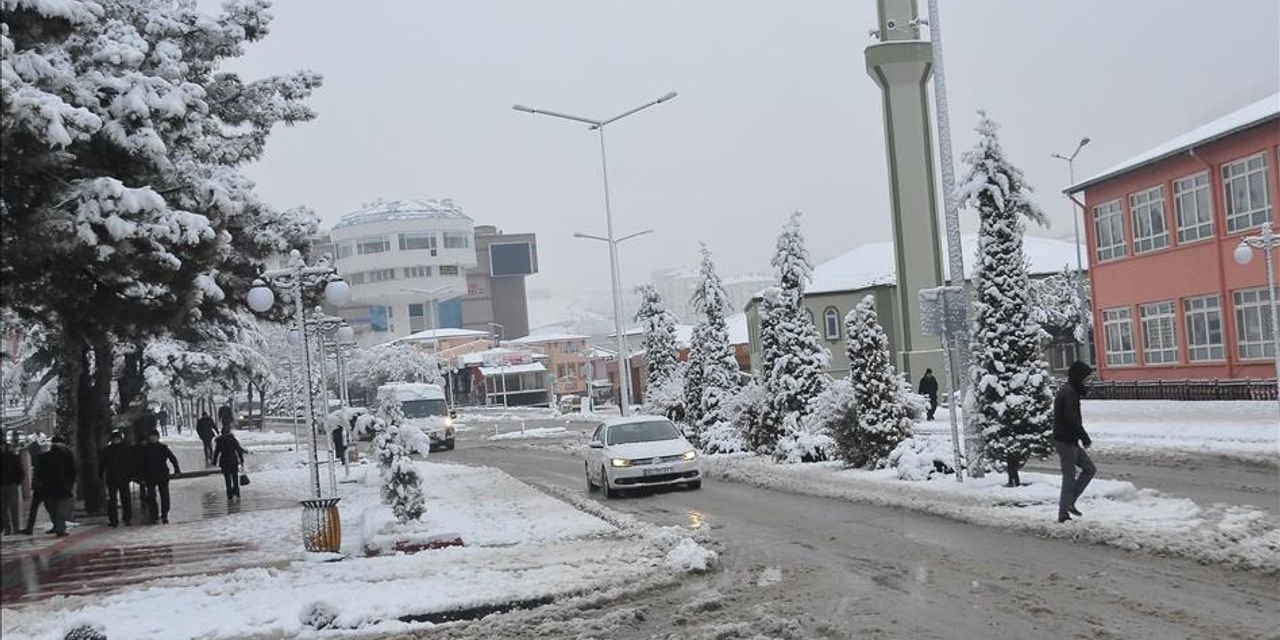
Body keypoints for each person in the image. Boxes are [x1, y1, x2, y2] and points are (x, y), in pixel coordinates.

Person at [1053, 361, 1097, 523]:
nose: (1086, 381)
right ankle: (1063, 514)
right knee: (1069, 477)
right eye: (1085, 378)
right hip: (1065, 441)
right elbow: (1071, 419)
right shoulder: (1069, 393)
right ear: (1078, 376)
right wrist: (1084, 437)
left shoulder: (1071, 390)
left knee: (1089, 469)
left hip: (1070, 439)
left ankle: (1069, 502)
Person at [35, 436, 76, 537]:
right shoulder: (67, 455)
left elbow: (39, 472)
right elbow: (73, 470)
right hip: (63, 486)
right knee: (61, 509)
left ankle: (56, 526)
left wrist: (42, 482)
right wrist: (70, 483)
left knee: (52, 508)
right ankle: (60, 528)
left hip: (48, 487)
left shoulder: (44, 457)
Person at [138, 429, 180, 524]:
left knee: (164, 495)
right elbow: (141, 464)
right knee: (151, 496)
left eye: (154, 436)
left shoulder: (163, 448)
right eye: (151, 436)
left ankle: (164, 514)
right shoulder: (145, 449)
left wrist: (177, 470)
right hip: (149, 476)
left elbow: (172, 459)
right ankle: (154, 514)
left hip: (162, 475)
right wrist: (141, 477)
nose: (152, 438)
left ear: (158, 437)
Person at [99, 430, 134, 527]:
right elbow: (102, 463)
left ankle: (127, 518)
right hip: (111, 478)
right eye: (114, 439)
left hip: (124, 477)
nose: (116, 441)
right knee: (112, 500)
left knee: (125, 499)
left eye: (117, 439)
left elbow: (131, 463)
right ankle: (113, 519)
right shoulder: (107, 450)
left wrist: (132, 474)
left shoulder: (126, 449)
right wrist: (100, 474)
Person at [213, 425, 247, 501]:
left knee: (227, 479)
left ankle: (229, 494)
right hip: (233, 461)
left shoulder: (220, 441)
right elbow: (238, 450)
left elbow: (216, 452)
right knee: (235, 478)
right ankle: (237, 492)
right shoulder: (233, 440)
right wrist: (241, 461)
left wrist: (214, 461)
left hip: (224, 462)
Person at [18, 439, 44, 535]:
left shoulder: (39, 459)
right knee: (37, 507)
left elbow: (39, 474)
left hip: (41, 487)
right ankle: (29, 528)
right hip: (40, 487)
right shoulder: (39, 458)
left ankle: (29, 528)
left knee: (37, 507)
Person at [1, 441, 23, 535]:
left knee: (3, 508)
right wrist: (17, 481)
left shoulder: (12, 456)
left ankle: (8, 528)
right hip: (11, 484)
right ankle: (15, 528)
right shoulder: (13, 456)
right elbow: (21, 470)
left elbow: (20, 471)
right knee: (13, 507)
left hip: (4, 484)